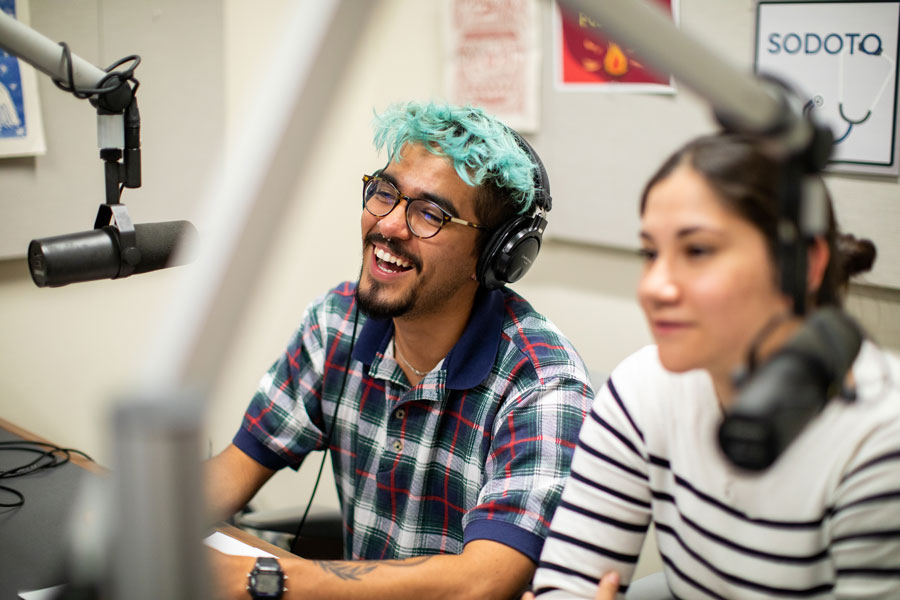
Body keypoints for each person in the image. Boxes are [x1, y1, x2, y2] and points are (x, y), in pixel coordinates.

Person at [206, 101, 593, 600]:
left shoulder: (543, 385)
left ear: (497, 257)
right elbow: (237, 466)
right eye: (385, 193)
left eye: (431, 213)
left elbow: (483, 582)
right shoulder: (338, 321)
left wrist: (274, 580)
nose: (388, 226)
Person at [530, 133, 900, 599]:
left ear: (803, 264)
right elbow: (568, 585)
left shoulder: (880, 435)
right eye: (650, 253)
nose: (654, 287)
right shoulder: (642, 387)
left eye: (698, 251)